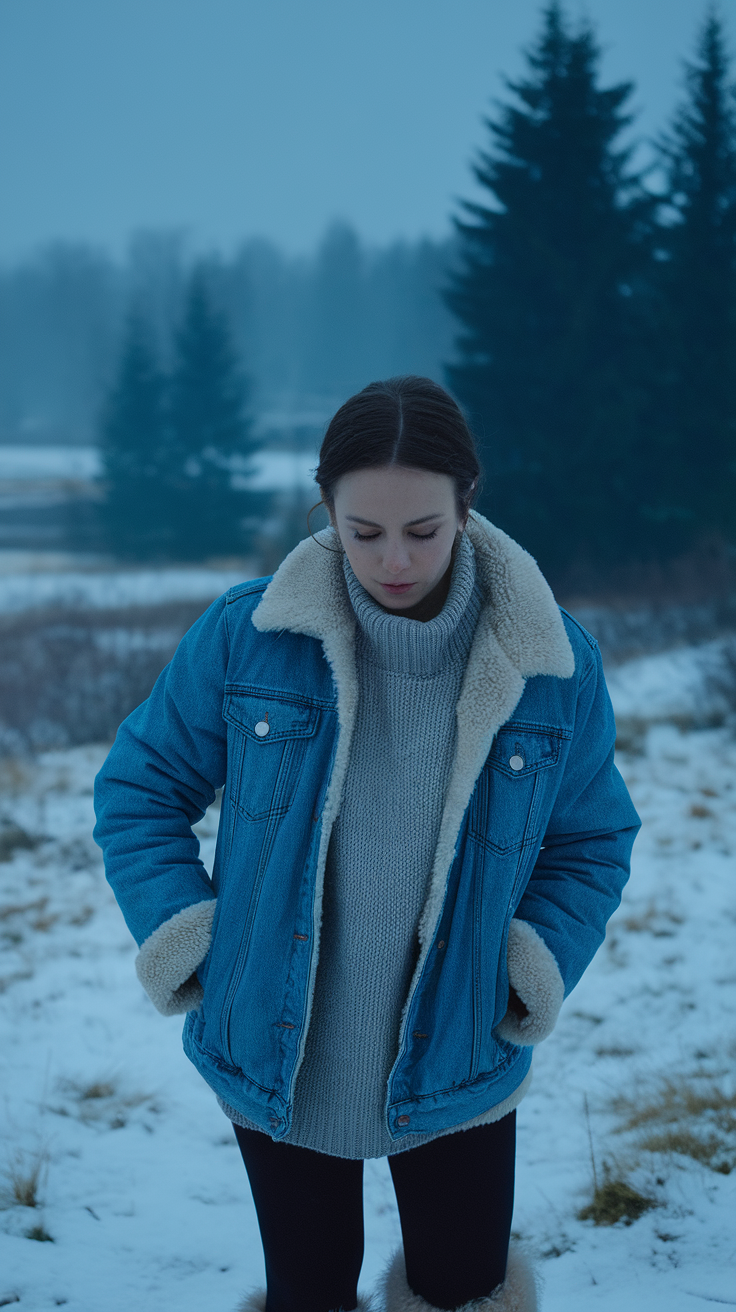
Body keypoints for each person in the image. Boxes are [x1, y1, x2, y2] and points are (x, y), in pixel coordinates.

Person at [94, 375, 640, 1312]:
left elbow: (592, 839)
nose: (394, 559)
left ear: (468, 500)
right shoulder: (247, 636)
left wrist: (530, 962)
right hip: (273, 1049)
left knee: (464, 1289)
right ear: (327, 509)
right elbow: (139, 788)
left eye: (423, 530)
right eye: (363, 531)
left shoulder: (552, 663)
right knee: (307, 1291)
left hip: (462, 1045)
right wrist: (191, 930)